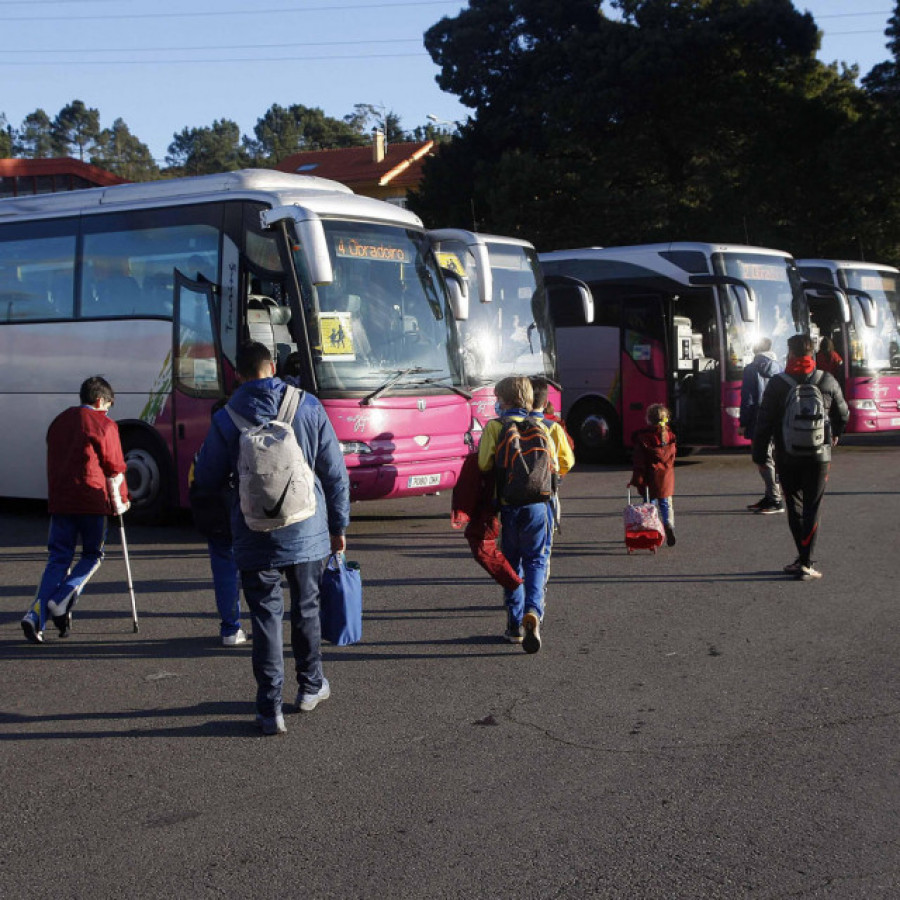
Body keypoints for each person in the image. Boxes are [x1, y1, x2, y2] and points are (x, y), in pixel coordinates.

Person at [192, 341, 350, 735]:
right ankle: (310, 686)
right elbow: (334, 473)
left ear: (238, 374)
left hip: (252, 530)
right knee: (307, 608)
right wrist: (339, 527)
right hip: (307, 528)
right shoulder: (309, 405)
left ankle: (269, 709)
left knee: (265, 617)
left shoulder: (226, 418)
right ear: (273, 366)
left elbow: (207, 478)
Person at [21, 376, 130, 644]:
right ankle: (60, 600)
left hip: (60, 499)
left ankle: (36, 615)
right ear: (100, 400)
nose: (108, 410)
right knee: (93, 555)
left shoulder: (58, 422)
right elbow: (115, 466)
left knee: (58, 558)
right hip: (92, 500)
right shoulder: (105, 424)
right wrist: (123, 500)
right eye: (109, 404)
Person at [752, 333, 849, 581]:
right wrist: (835, 434)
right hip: (819, 456)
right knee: (812, 508)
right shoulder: (826, 380)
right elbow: (843, 413)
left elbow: (763, 423)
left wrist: (760, 455)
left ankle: (801, 558)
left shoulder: (778, 383)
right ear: (812, 354)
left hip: (787, 454)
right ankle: (806, 561)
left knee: (794, 507)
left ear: (791, 354)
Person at [478, 375, 557, 653]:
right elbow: (555, 466)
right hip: (539, 505)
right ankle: (534, 612)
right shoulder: (541, 426)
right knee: (536, 560)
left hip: (508, 505)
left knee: (511, 563)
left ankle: (514, 625)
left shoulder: (495, 427)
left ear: (503, 399)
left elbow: (484, 464)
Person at [740, 338, 784, 514]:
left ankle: (775, 499)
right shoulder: (779, 368)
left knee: (762, 458)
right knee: (771, 456)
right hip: (777, 418)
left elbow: (748, 399)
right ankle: (769, 496)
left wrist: (743, 422)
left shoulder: (751, 369)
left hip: (759, 419)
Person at [630, 403, 677, 547]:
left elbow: (639, 462)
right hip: (666, 478)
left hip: (650, 479)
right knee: (666, 503)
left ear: (648, 420)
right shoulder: (670, 437)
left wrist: (637, 479)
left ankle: (653, 530)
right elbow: (672, 457)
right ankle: (668, 524)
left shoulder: (644, 438)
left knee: (651, 505)